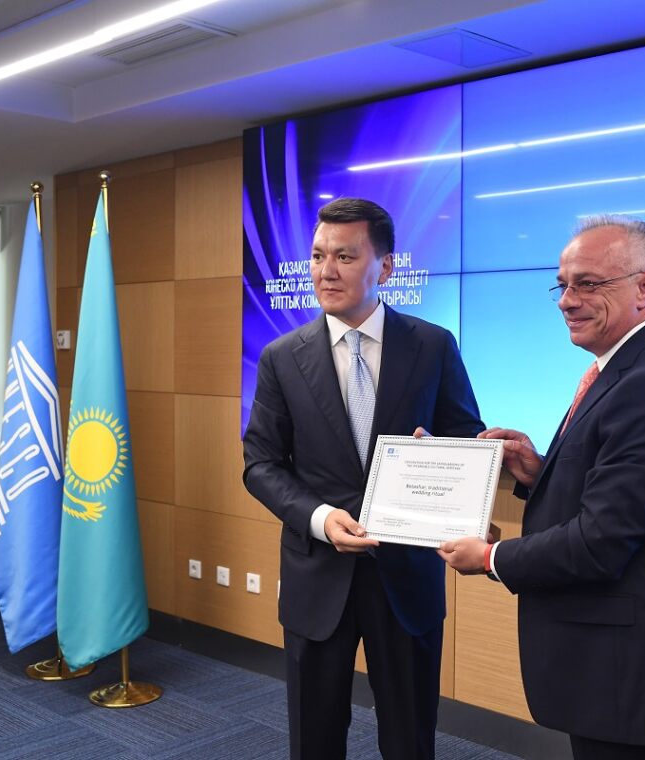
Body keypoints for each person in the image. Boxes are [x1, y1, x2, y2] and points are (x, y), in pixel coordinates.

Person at [438, 215, 645, 760]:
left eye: (588, 284)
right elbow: (617, 493)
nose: (568, 301)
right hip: (614, 668)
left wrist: (491, 557)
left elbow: (602, 541)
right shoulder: (628, 368)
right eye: (563, 285)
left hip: (629, 673)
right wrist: (538, 472)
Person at [242, 198, 484, 760]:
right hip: (317, 574)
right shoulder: (282, 357)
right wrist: (321, 518)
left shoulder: (432, 346)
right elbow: (261, 464)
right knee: (315, 738)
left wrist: (447, 476)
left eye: (345, 257)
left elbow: (466, 441)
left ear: (387, 267)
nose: (326, 271)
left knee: (410, 736)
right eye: (317, 256)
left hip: (406, 576)